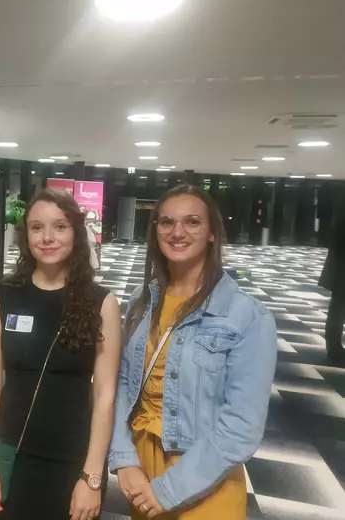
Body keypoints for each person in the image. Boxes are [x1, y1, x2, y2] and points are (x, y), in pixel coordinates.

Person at [109, 184, 278, 519]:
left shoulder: (247, 316)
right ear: (155, 229)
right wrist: (124, 459)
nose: (177, 232)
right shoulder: (140, 303)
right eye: (166, 222)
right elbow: (124, 389)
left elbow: (241, 426)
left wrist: (168, 489)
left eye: (192, 222)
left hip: (204, 477)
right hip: (141, 470)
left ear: (212, 233)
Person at [0, 189, 122, 520]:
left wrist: (92, 477)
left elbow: (105, 395)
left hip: (72, 457)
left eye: (60, 226)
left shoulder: (101, 303)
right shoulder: (2, 296)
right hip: (11, 448)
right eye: (36, 227)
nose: (47, 237)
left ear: (77, 233)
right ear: (25, 235)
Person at [319, 216, 345, 365]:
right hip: (341, 272)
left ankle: (333, 349)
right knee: (337, 311)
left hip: (339, 273)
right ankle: (334, 350)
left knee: (337, 310)